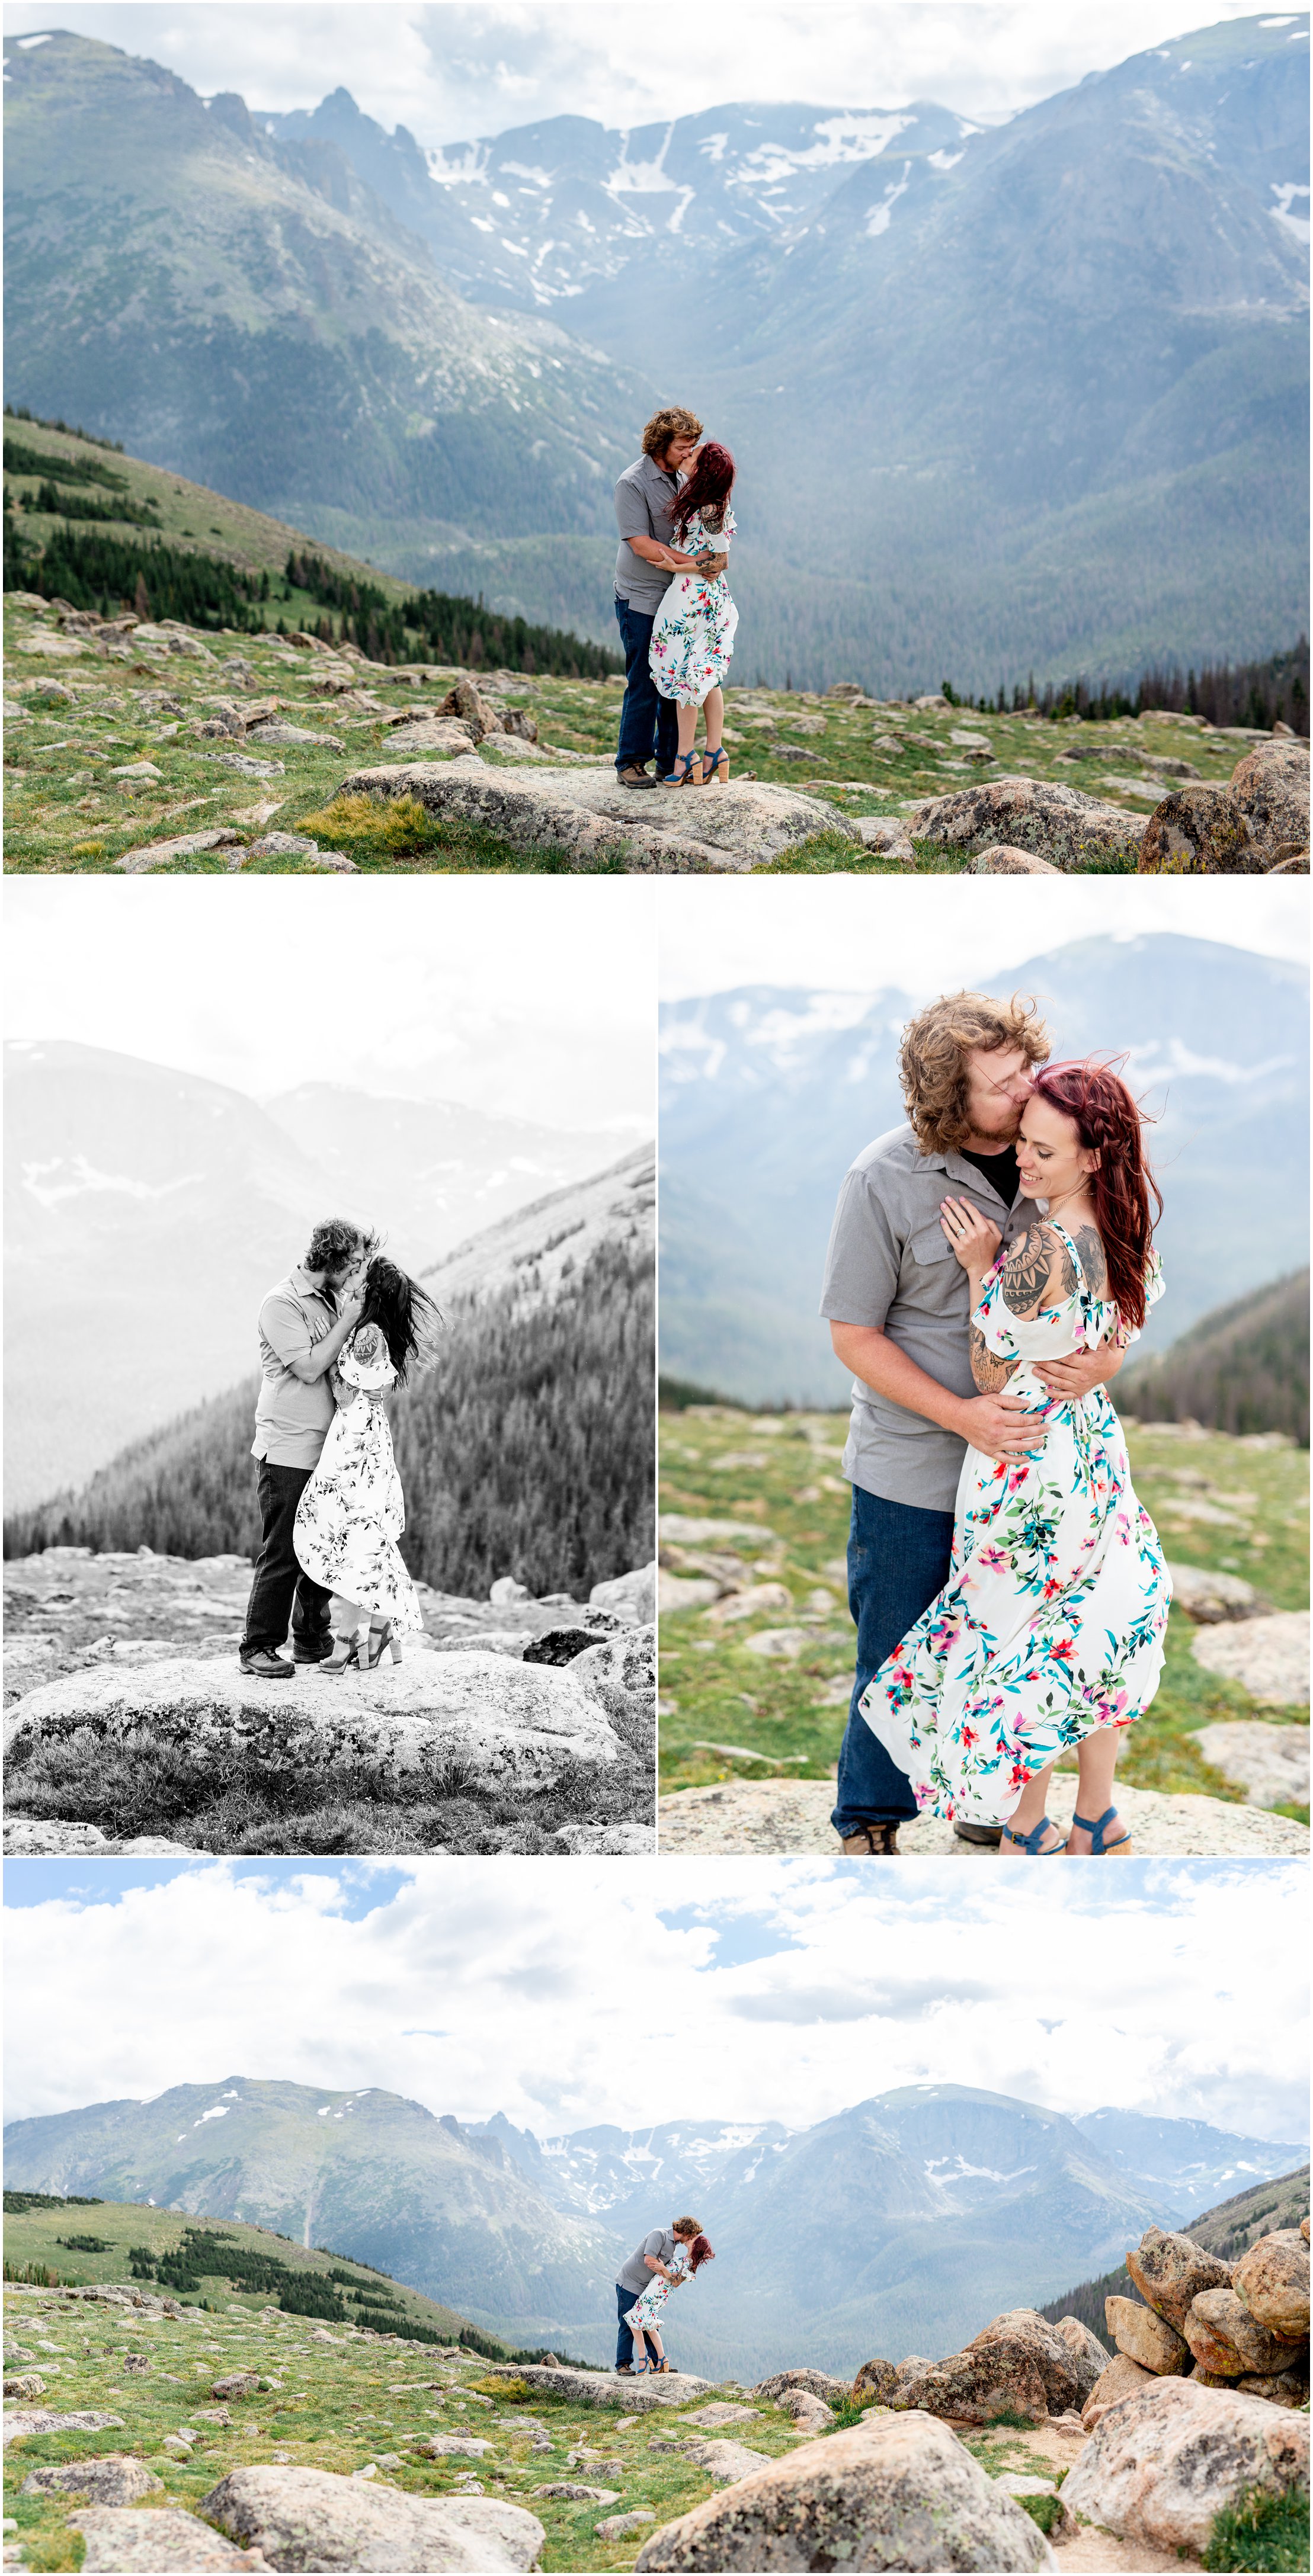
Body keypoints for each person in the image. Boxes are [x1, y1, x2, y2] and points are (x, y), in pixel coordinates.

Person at [819, 995, 1127, 1856]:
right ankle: (870, 1822)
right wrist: (962, 1414)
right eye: (1002, 1085)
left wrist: (1106, 1363)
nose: (1027, 1088)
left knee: (1007, 1634)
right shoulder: (881, 1178)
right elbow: (852, 1333)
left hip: (1027, 1470)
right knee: (898, 1642)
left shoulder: (1053, 1155)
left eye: (1027, 1066)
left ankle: (983, 1801)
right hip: (913, 1461)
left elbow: (1102, 1294)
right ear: (951, 1101)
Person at [238, 1218, 376, 1679]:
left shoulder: (331, 1298)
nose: (358, 1271)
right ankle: (257, 1646)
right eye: (353, 1263)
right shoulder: (281, 1303)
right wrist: (350, 1320)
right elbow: (312, 1366)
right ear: (332, 1261)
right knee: (284, 1550)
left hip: (328, 1447)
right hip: (287, 1448)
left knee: (325, 1545)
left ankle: (311, 1641)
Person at [293, 1256, 441, 1673]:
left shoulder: (367, 1334)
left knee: (356, 1533)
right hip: (363, 1435)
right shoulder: (375, 1331)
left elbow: (345, 1385)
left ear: (371, 1290)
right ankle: (379, 1628)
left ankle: (350, 1637)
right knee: (362, 1532)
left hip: (355, 1440)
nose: (354, 1276)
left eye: (361, 1275)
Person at [612, 406, 727, 790]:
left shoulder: (682, 476)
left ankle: (669, 761)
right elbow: (642, 545)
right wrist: (695, 563)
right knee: (644, 680)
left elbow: (711, 535)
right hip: (641, 596)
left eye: (693, 445)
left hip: (675, 599)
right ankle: (630, 762)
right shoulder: (631, 483)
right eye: (683, 445)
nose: (689, 451)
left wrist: (714, 558)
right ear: (662, 444)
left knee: (672, 676)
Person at [650, 441, 738, 785]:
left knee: (686, 674)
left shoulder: (709, 509)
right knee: (703, 674)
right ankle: (713, 751)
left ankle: (686, 756)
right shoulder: (705, 501)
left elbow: (720, 560)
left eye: (694, 455)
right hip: (700, 596)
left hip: (696, 599)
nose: (687, 455)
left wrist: (676, 565)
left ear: (705, 471)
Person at [614, 2217, 702, 2375]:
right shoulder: (659, 2235)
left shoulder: (674, 2245)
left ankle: (657, 2363)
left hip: (646, 2288)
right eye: (692, 2235)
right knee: (628, 2324)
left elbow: (667, 2272)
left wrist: (666, 2272)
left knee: (648, 2323)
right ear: (686, 2230)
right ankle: (623, 2364)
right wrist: (667, 2273)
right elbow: (649, 2260)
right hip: (630, 2283)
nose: (691, 2238)